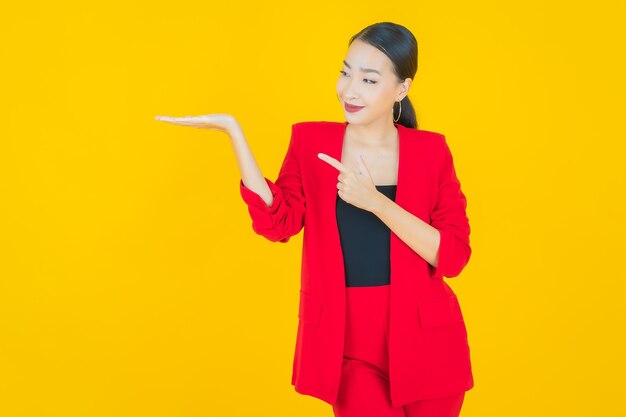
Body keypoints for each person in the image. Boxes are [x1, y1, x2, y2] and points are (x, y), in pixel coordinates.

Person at [156, 21, 472, 417]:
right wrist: (234, 134)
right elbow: (278, 222)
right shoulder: (311, 143)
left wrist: (376, 202)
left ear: (402, 89)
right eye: (345, 73)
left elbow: (454, 256)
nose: (350, 90)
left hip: (426, 340)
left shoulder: (431, 151)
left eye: (369, 80)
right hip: (346, 340)